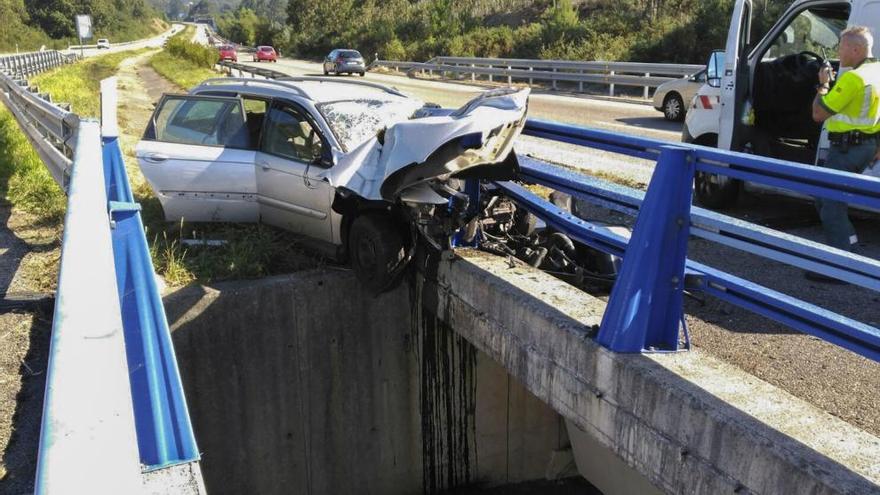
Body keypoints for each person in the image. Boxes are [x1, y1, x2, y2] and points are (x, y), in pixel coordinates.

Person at [810, 25, 880, 280]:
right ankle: (848, 246)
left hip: (848, 148)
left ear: (855, 49)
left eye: (841, 47)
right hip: (866, 146)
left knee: (830, 203)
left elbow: (818, 114)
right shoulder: (877, 71)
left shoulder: (853, 78)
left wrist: (824, 85)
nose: (839, 52)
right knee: (826, 196)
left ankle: (840, 267)